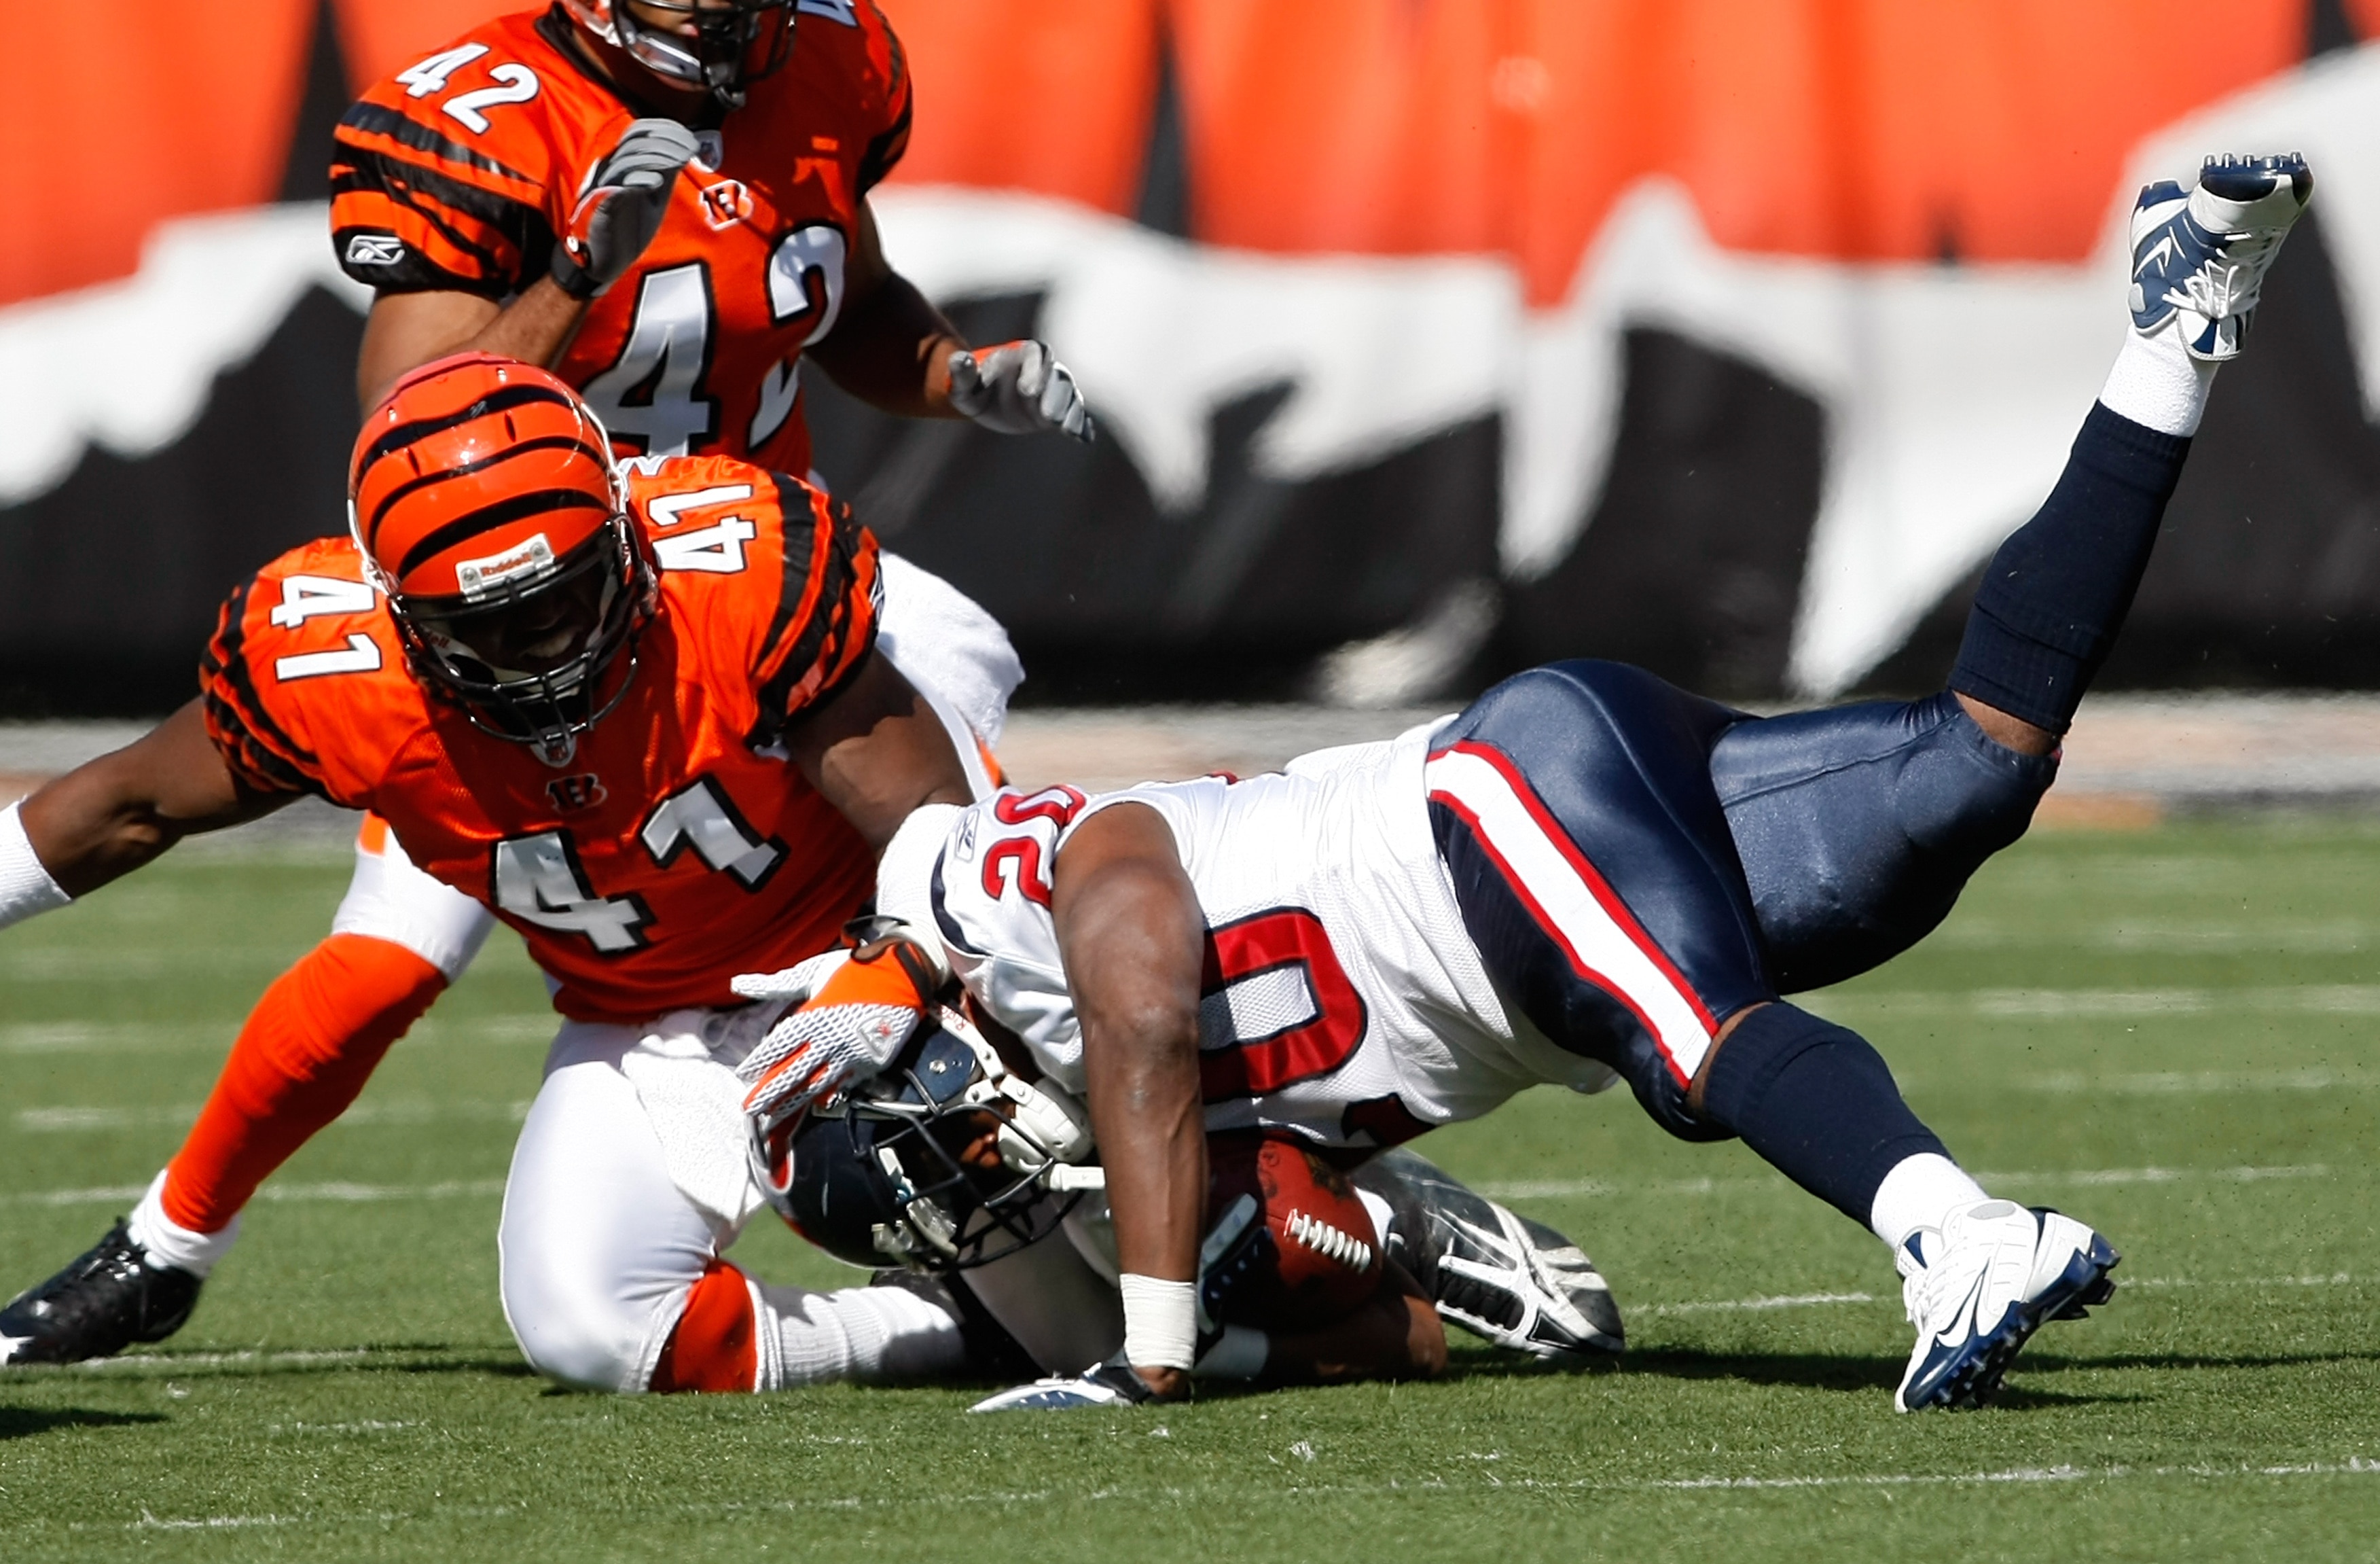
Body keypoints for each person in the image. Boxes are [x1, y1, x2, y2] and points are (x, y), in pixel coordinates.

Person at [736, 155, 2318, 1412]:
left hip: (1486, 815)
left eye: (939, 1163)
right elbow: (1391, 1334)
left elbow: (1138, 973)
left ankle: (1960, 1239)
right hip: (1542, 895)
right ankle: (2177, 331)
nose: (976, 1182)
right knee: (1975, 773)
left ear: (913, 1056)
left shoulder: (970, 902)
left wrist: (1151, 1349)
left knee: (1691, 1038)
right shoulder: (1102, 1169)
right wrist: (1284, 1299)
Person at [0, 355, 1612, 1391]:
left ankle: (1354, 1221)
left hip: (867, 964)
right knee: (583, 1324)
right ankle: (962, 1328)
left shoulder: (739, 576)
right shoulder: (321, 661)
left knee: (1092, 1292)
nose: (548, 647)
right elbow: (113, 810)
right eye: (493, 626)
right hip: (640, 1013)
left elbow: (942, 846)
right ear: (400, 617)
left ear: (628, 537)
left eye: (566, 597)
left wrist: (889, 988)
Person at [0, 0, 1100, 1361]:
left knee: (981, 870)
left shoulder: (832, 60)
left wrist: (946, 374)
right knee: (391, 952)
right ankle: (166, 1245)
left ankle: (1213, 1171)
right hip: (497, 612)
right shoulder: (483, 121)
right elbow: (413, 424)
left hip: (721, 583)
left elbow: (858, 305)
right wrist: (580, 272)